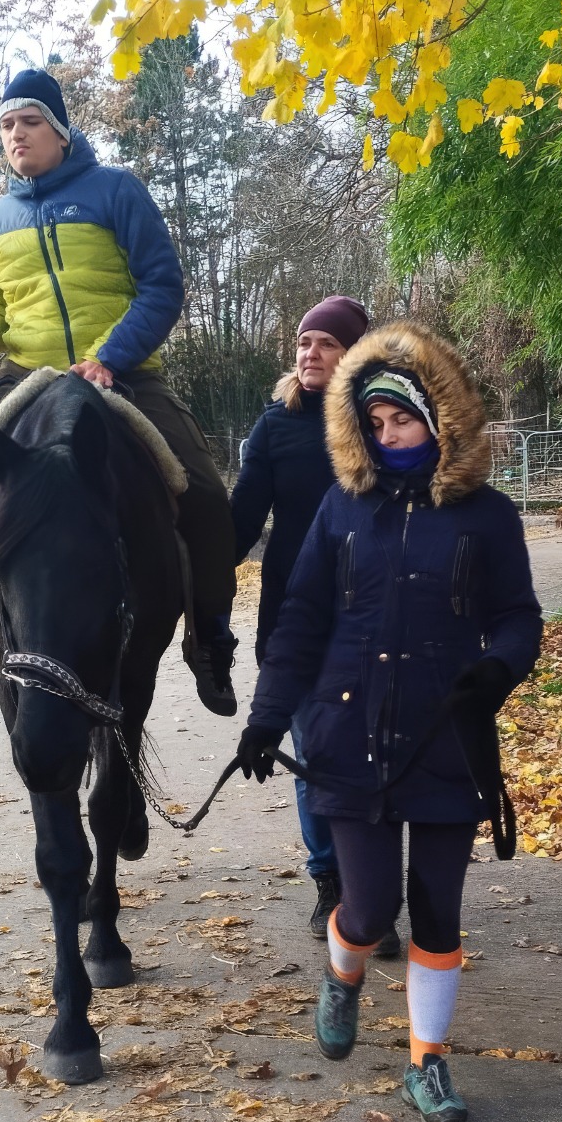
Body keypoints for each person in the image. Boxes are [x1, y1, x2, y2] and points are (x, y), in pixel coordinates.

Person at [234, 321, 542, 1122]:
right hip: (348, 732)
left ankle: (426, 1063)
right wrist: (267, 717)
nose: (387, 434)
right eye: (373, 422)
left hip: (447, 733)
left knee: (437, 908)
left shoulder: (487, 516)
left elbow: (519, 616)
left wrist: (498, 668)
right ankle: (343, 973)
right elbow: (302, 617)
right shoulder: (342, 508)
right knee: (368, 909)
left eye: (401, 418)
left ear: (440, 418)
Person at [0, 67, 238, 712]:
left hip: (123, 371)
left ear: (61, 131)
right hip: (26, 376)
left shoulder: (116, 191)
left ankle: (210, 633)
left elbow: (163, 288)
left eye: (29, 122)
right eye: (6, 125)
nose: (15, 135)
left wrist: (109, 357)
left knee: (206, 490)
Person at [233, 297, 401, 954]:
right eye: (304, 342)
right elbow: (241, 524)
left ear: (356, 354)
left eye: (326, 343)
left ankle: (375, 886)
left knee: (380, 755)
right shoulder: (276, 426)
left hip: (380, 617)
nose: (309, 353)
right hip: (296, 618)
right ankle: (334, 885)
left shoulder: (387, 424)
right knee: (316, 758)